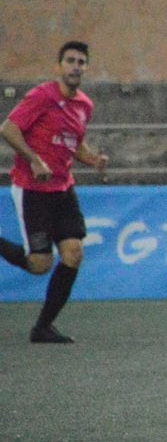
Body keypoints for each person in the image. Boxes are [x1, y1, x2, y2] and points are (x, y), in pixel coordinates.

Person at [1, 41, 108, 343]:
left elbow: (75, 143)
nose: (76, 66)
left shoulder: (84, 104)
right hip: (33, 189)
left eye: (81, 62)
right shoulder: (42, 96)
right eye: (70, 60)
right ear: (59, 66)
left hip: (63, 188)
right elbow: (8, 128)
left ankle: (43, 327)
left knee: (73, 253)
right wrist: (34, 160)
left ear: (86, 68)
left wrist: (93, 159)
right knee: (39, 264)